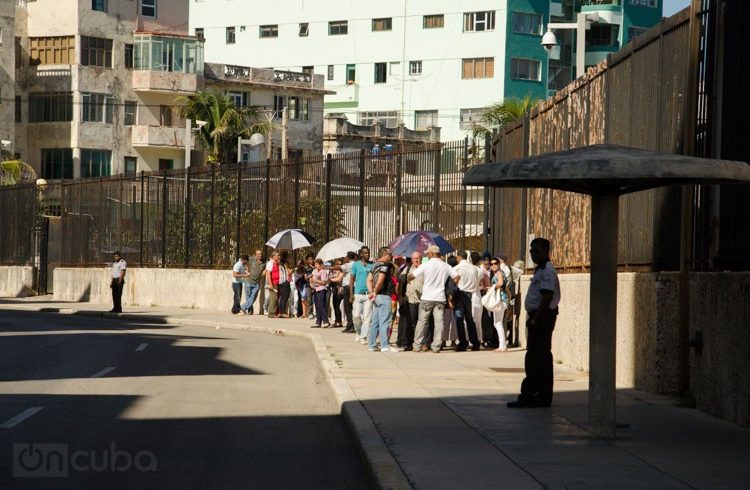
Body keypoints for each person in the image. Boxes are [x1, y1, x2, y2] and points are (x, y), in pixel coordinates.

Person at [507, 238, 561, 408]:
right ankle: (541, 395)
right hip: (538, 316)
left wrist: (536, 318)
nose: (533, 254)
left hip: (542, 317)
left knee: (536, 357)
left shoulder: (547, 271)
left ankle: (530, 395)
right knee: (540, 357)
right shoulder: (540, 270)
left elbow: (547, 296)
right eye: (531, 251)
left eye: (536, 251)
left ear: (546, 251)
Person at [409, 245, 459, 353]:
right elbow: (456, 277)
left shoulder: (426, 265)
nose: (427, 255)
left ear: (431, 254)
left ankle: (417, 345)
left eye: (428, 253)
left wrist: (408, 279)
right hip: (440, 298)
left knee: (422, 321)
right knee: (439, 323)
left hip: (427, 297)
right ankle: (436, 346)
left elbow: (412, 275)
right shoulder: (446, 266)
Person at [368, 247, 399, 352]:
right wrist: (375, 291)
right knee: (385, 321)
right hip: (384, 295)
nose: (391, 257)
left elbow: (369, 279)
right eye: (389, 255)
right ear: (384, 255)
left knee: (375, 322)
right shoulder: (384, 266)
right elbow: (381, 279)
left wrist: (371, 292)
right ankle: (385, 345)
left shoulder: (374, 265)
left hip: (377, 297)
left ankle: (372, 345)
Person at [452, 251, 481, 351]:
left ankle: (463, 342)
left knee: (459, 319)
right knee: (469, 319)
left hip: (460, 294)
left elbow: (454, 280)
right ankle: (475, 342)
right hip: (470, 294)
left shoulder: (457, 268)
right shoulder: (474, 268)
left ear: (459, 257)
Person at [350, 246, 374, 344]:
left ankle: (363, 336)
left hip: (368, 294)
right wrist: (351, 294)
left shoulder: (372, 265)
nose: (367, 254)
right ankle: (358, 332)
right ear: (361, 254)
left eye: (368, 252)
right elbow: (351, 279)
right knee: (356, 316)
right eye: (365, 253)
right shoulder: (356, 265)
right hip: (357, 294)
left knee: (367, 317)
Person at [399, 252, 422, 350]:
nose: (416, 260)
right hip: (411, 299)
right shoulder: (407, 268)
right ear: (411, 259)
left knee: (421, 323)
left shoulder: (424, 268)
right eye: (414, 258)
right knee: (411, 322)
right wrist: (401, 297)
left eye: (418, 258)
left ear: (421, 259)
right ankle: (410, 342)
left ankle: (421, 342)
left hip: (422, 299)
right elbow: (401, 282)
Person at [489, 259, 509, 352]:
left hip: (500, 300)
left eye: (495, 263)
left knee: (498, 323)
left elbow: (500, 283)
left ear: (499, 264)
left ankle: (503, 345)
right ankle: (502, 345)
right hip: (501, 299)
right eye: (491, 264)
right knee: (497, 323)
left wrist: (492, 287)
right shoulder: (497, 273)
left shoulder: (499, 273)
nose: (493, 265)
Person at [310, 259, 331, 328]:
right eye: (315, 264)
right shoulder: (314, 271)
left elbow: (324, 282)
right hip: (315, 289)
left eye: (317, 264)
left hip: (322, 290)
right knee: (317, 306)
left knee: (322, 305)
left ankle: (326, 321)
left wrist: (315, 281)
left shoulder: (323, 272)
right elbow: (311, 280)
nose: (315, 266)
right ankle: (318, 322)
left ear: (321, 265)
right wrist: (311, 284)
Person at [340, 252, 357, 333]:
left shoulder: (349, 265)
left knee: (348, 307)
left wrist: (325, 267)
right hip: (352, 287)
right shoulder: (356, 264)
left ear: (348, 257)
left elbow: (338, 267)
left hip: (348, 287)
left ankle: (351, 325)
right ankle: (350, 325)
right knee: (350, 307)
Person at [245, 249, 265, 314]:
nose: (260, 255)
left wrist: (262, 274)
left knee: (253, 297)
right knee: (248, 297)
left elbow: (266, 270)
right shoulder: (251, 259)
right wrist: (247, 270)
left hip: (256, 283)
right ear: (256, 255)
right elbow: (244, 262)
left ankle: (244, 308)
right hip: (248, 281)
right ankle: (250, 311)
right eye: (258, 254)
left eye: (261, 254)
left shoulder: (264, 262)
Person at [264, 251, 282, 318]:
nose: (278, 257)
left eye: (279, 255)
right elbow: (268, 274)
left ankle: (275, 312)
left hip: (277, 283)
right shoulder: (270, 263)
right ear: (273, 256)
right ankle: (271, 313)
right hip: (273, 284)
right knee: (274, 298)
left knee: (276, 298)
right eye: (277, 255)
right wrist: (270, 284)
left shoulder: (277, 263)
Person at [329, 258, 345, 328]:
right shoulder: (333, 271)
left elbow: (339, 279)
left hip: (340, 289)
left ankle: (339, 321)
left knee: (337, 305)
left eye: (340, 264)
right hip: (334, 289)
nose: (339, 265)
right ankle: (337, 321)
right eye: (337, 264)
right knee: (335, 305)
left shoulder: (342, 271)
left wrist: (331, 279)